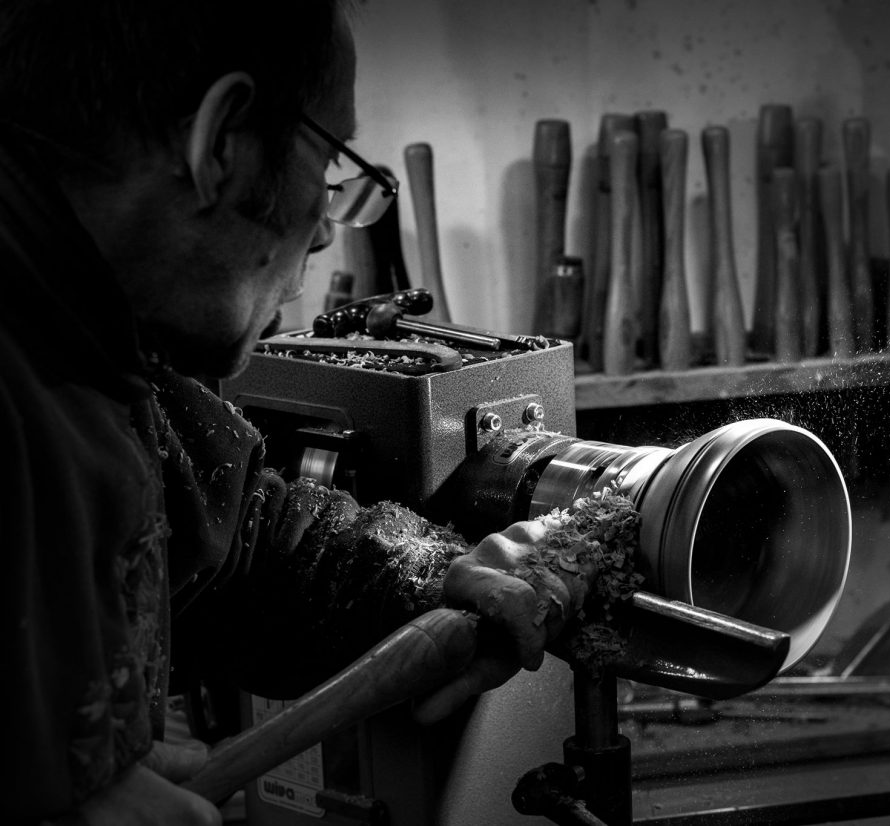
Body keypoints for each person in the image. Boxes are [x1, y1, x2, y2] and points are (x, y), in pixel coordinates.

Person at [0, 2, 582, 823]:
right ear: (222, 142)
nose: (323, 234)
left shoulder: (91, 343)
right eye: (330, 161)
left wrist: (418, 580)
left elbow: (238, 538)